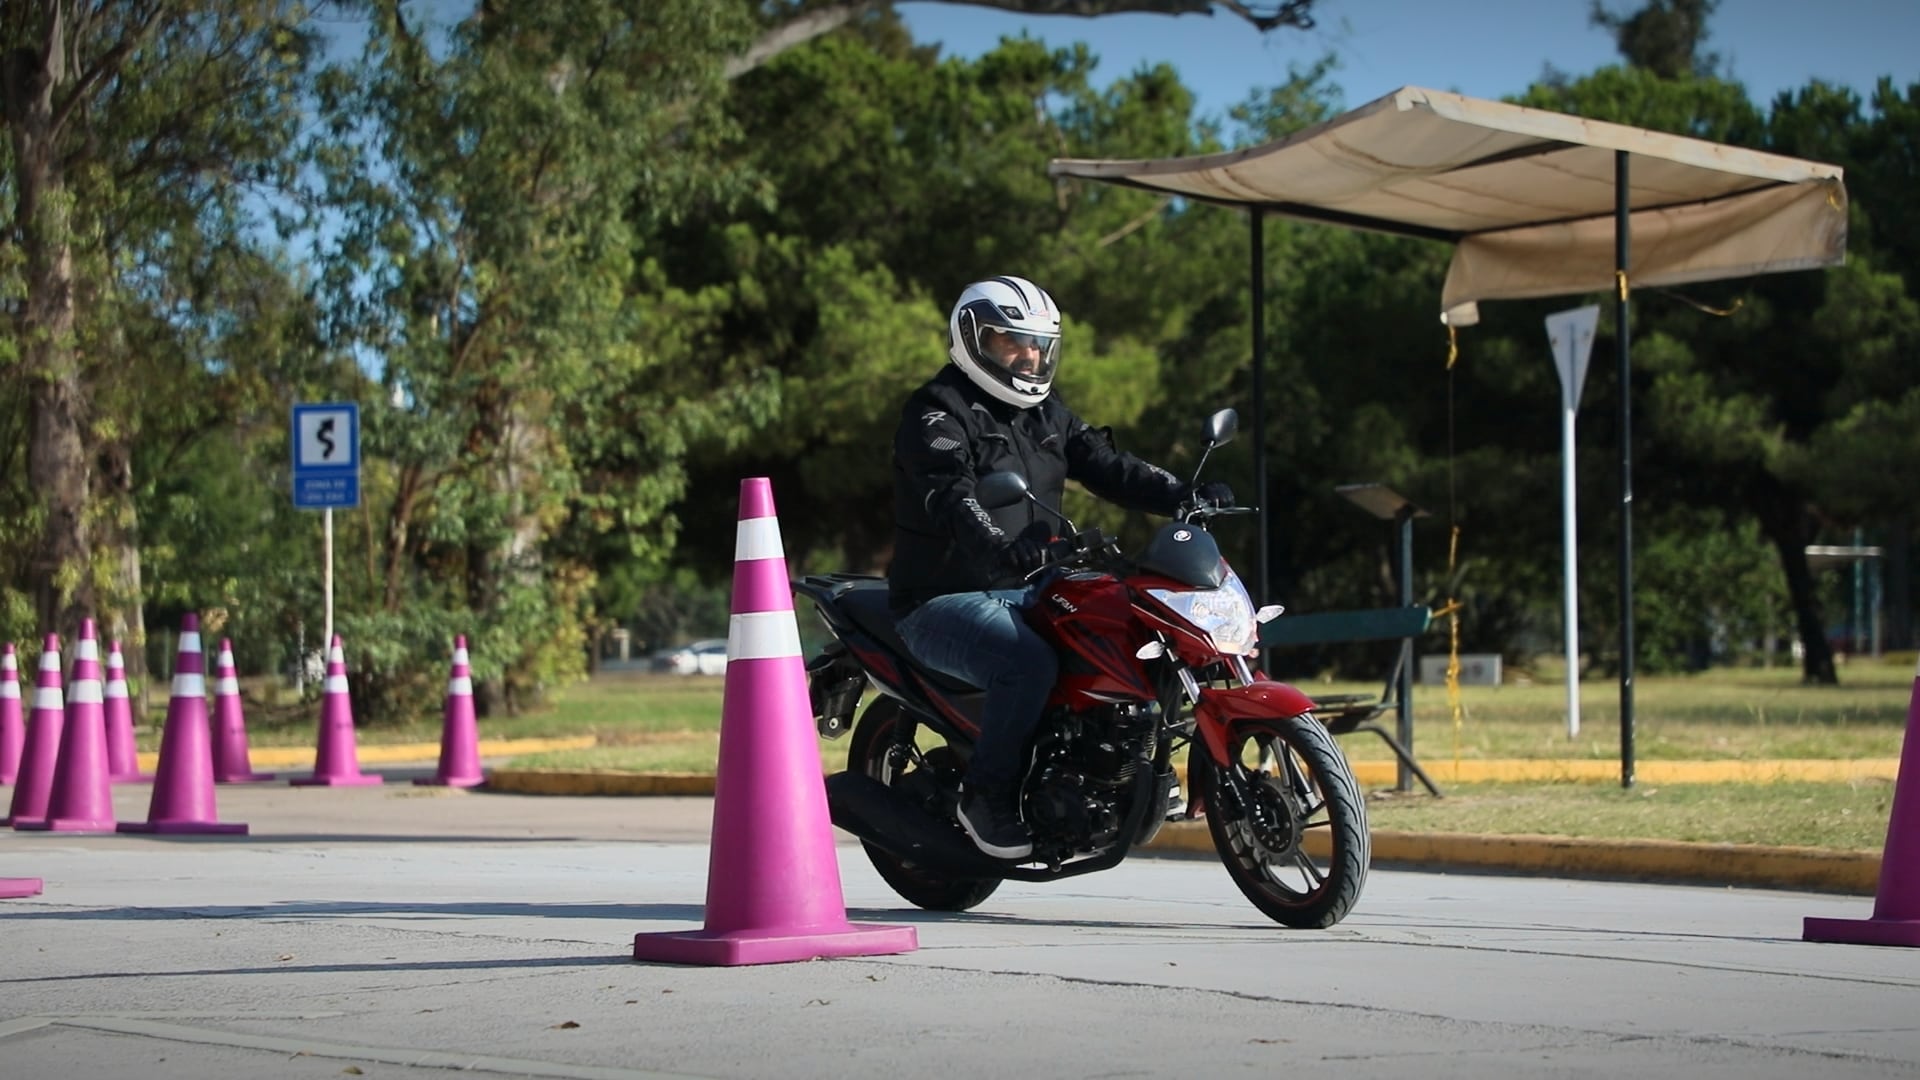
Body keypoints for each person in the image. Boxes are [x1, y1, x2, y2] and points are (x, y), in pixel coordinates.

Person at [888, 275, 1232, 859]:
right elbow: (953, 495)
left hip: (1039, 586)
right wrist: (999, 546)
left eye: (1038, 345)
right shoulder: (937, 413)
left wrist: (1183, 493)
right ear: (973, 338)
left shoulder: (1046, 414)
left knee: (1135, 628)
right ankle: (986, 797)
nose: (1028, 356)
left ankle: (1130, 771)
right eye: (1011, 342)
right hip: (944, 598)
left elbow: (1105, 464)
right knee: (1026, 662)